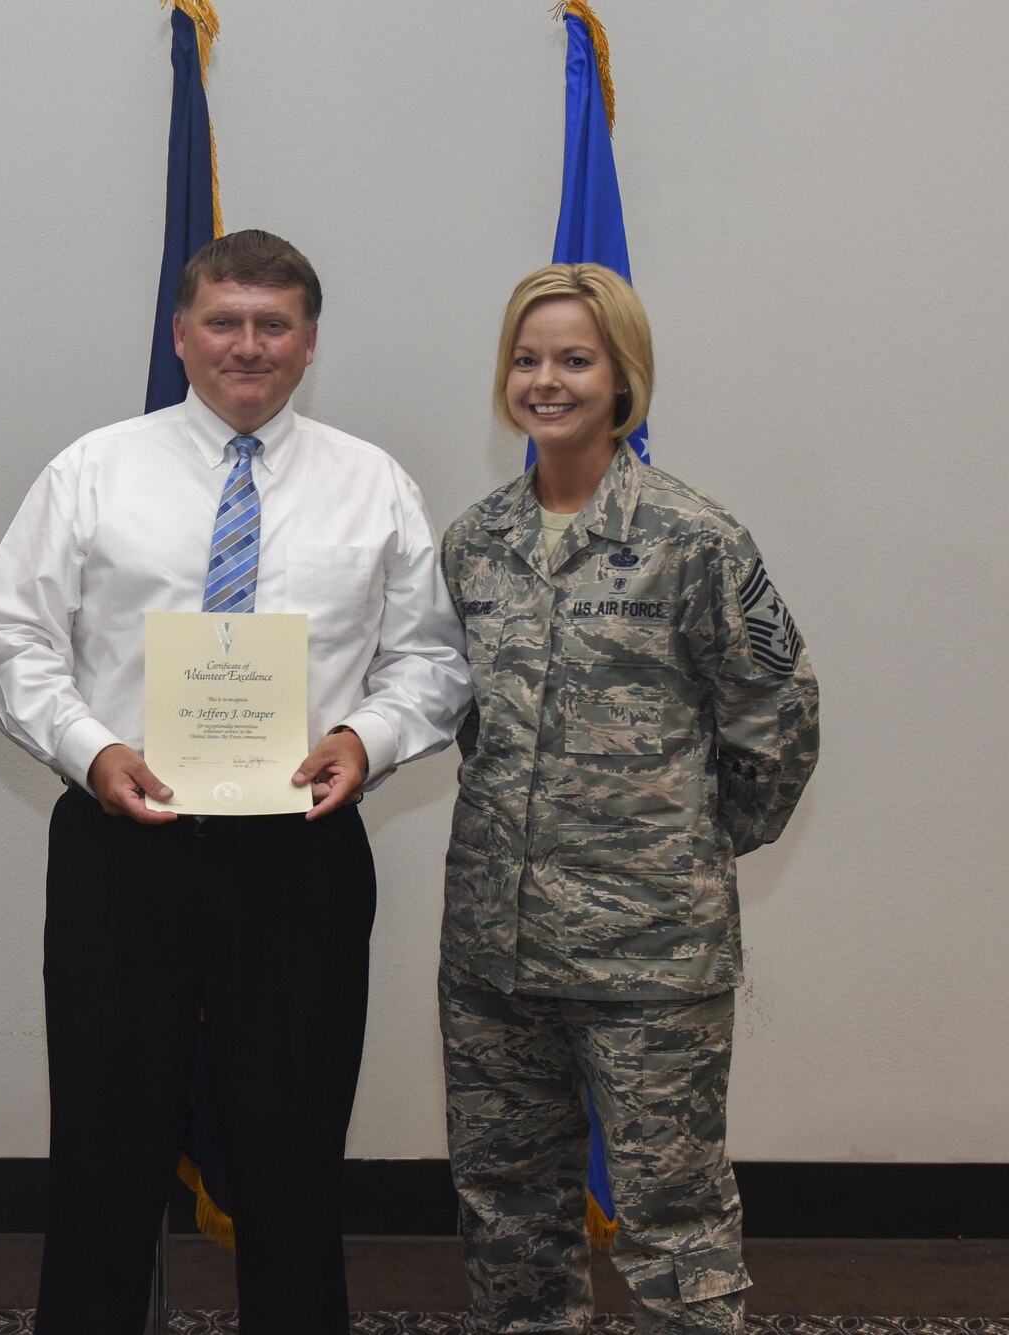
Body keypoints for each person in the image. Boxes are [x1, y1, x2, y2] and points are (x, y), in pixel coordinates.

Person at [0, 229, 471, 1333]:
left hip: (297, 855)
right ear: (181, 335)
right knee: (105, 1150)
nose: (245, 346)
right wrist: (87, 747)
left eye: (272, 324)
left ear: (306, 344)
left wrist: (368, 736)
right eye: (223, 322)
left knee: (291, 1158)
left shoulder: (372, 485)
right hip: (125, 846)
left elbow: (431, 658)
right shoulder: (91, 470)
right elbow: (8, 636)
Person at [438, 263, 820, 1333]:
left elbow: (775, 719)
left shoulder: (692, 538)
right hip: (493, 955)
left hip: (649, 953)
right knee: (507, 1222)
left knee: (671, 1226)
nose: (544, 381)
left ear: (621, 378)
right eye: (526, 359)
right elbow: (466, 721)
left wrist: (680, 851)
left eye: (572, 359)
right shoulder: (474, 542)